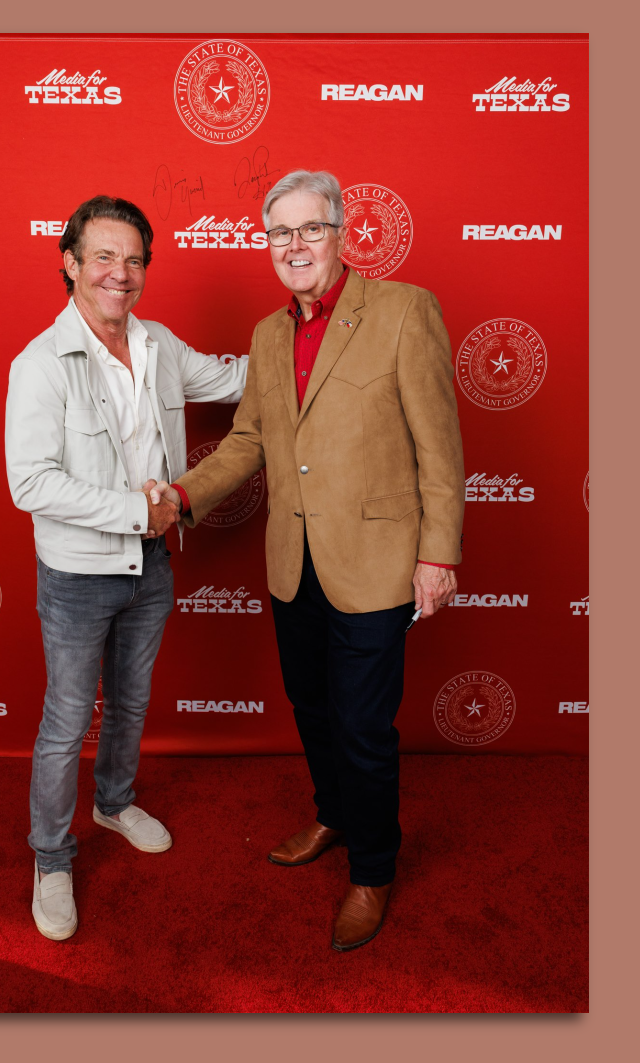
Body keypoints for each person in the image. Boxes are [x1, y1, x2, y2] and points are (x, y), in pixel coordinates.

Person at [152, 170, 464, 952]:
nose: (295, 245)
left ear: (341, 232)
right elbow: (253, 440)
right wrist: (182, 497)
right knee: (313, 707)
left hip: (378, 560)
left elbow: (440, 444)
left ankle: (373, 868)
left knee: (363, 727)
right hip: (294, 562)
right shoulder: (266, 334)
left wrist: (438, 555)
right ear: (268, 245)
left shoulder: (403, 310)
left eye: (310, 229)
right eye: (280, 233)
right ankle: (334, 813)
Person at [4, 195, 249, 941]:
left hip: (150, 565)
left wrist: (307, 342)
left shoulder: (160, 345)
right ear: (71, 265)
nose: (122, 272)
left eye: (135, 258)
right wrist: (135, 512)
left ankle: (113, 802)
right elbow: (31, 483)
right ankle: (51, 858)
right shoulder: (40, 363)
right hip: (79, 572)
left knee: (133, 703)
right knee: (66, 721)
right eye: (104, 256)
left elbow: (238, 379)